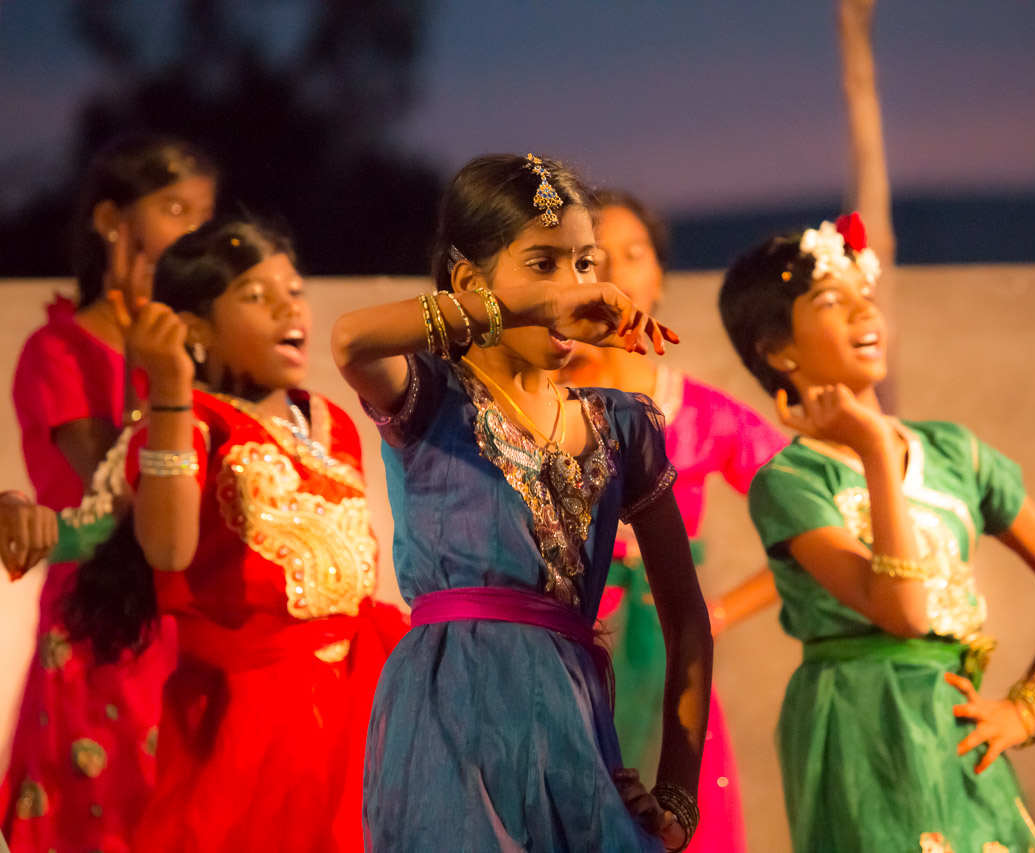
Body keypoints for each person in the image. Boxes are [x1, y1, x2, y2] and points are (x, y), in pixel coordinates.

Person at [334, 153, 712, 852]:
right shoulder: (430, 398)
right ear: (468, 284)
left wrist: (677, 801)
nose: (574, 287)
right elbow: (351, 340)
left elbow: (687, 619)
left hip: (576, 732)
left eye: (585, 264)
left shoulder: (620, 424)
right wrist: (532, 306)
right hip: (450, 725)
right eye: (543, 264)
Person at [720, 213, 1035, 852]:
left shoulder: (955, 452)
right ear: (779, 350)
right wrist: (877, 450)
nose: (866, 312)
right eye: (832, 302)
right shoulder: (792, 480)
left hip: (956, 724)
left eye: (866, 294)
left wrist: (1029, 707)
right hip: (861, 734)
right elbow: (905, 612)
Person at [60, 218, 404, 851]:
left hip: (362, 703)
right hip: (251, 726)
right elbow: (167, 551)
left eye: (293, 291)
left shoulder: (331, 420)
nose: (288, 307)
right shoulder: (191, 423)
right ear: (193, 330)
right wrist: (170, 393)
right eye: (255, 295)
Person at [4, 133, 216, 851]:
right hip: (100, 625)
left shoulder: (195, 349)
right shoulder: (58, 350)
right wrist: (141, 361)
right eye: (175, 209)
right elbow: (114, 487)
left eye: (204, 214)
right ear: (110, 222)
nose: (195, 231)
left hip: (186, 619)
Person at [557, 189, 784, 853]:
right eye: (593, 257)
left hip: (670, 667)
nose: (616, 271)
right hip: (567, 661)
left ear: (658, 274)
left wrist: (718, 612)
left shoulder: (703, 414)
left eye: (634, 253)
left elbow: (815, 514)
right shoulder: (543, 402)